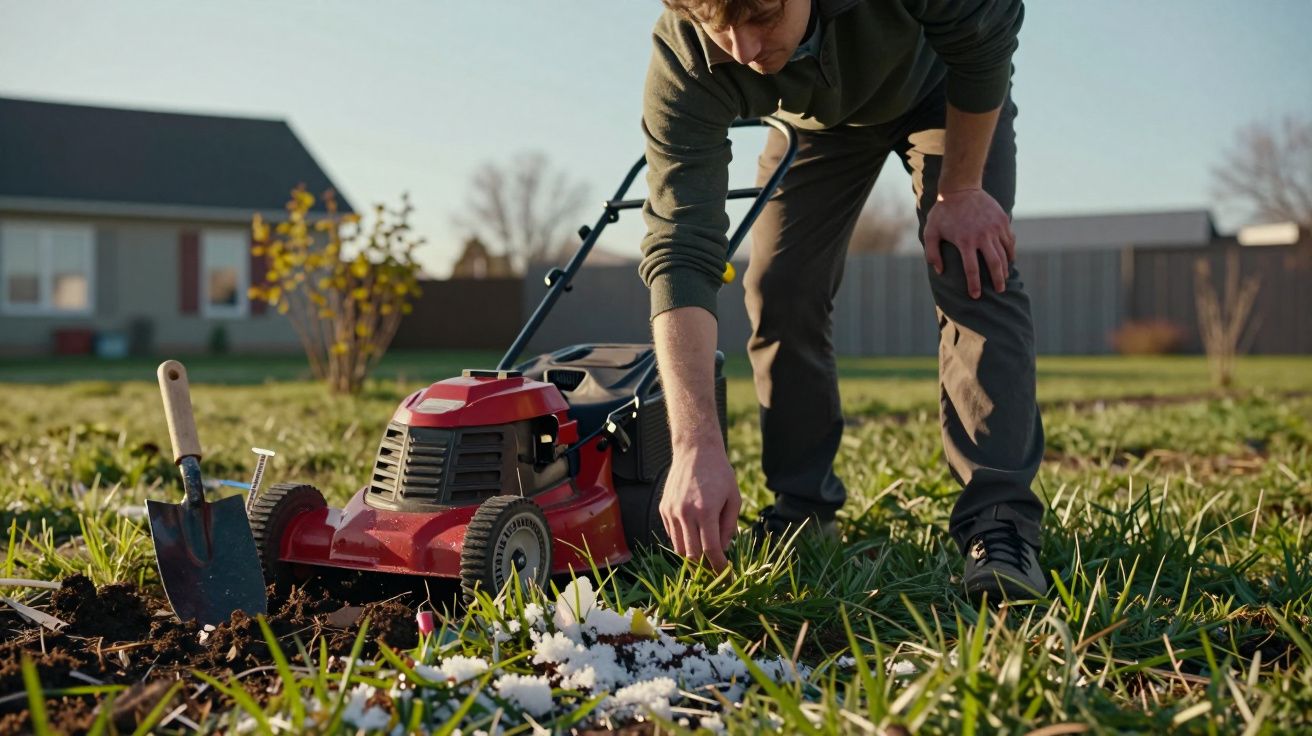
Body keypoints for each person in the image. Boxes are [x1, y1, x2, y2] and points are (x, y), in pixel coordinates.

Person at [638, 0, 1047, 599]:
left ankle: (1000, 524)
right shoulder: (688, 51)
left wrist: (960, 188)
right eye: (718, 28)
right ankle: (802, 513)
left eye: (762, 17)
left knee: (971, 264)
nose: (743, 51)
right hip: (816, 127)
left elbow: (987, 30)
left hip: (941, 89)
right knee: (779, 285)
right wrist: (694, 443)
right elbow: (680, 248)